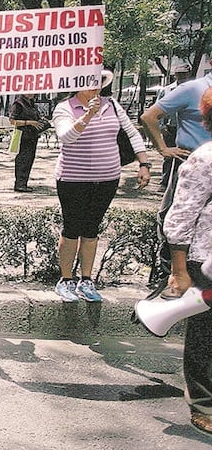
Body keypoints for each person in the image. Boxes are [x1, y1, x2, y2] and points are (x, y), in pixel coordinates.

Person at [52, 70, 151, 302]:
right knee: (72, 228)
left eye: (98, 82)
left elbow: (132, 134)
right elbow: (66, 136)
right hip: (73, 179)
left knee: (91, 229)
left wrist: (144, 163)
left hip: (107, 178)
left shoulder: (113, 105)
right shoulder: (64, 108)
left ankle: (86, 279)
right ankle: (66, 279)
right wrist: (87, 116)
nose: (94, 87)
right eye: (88, 82)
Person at [163, 86, 212, 437]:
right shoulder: (204, 158)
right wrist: (179, 270)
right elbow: (180, 218)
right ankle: (203, 404)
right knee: (205, 335)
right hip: (205, 259)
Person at [141, 65, 211, 297]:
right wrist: (163, 148)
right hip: (192, 162)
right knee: (174, 216)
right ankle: (169, 275)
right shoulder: (193, 88)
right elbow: (149, 116)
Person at [156, 63, 192, 189]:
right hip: (170, 129)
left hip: (187, 129)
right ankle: (165, 182)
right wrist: (161, 126)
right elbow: (156, 109)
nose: (181, 76)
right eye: (179, 74)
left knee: (185, 156)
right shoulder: (166, 90)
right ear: (175, 75)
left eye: (184, 74)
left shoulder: (194, 89)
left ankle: (181, 183)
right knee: (168, 156)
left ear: (189, 74)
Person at [10, 93, 48, 192]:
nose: (32, 94)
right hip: (23, 135)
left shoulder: (31, 103)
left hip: (32, 135)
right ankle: (19, 184)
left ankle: (24, 182)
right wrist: (29, 122)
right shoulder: (18, 104)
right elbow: (13, 121)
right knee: (23, 159)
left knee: (29, 159)